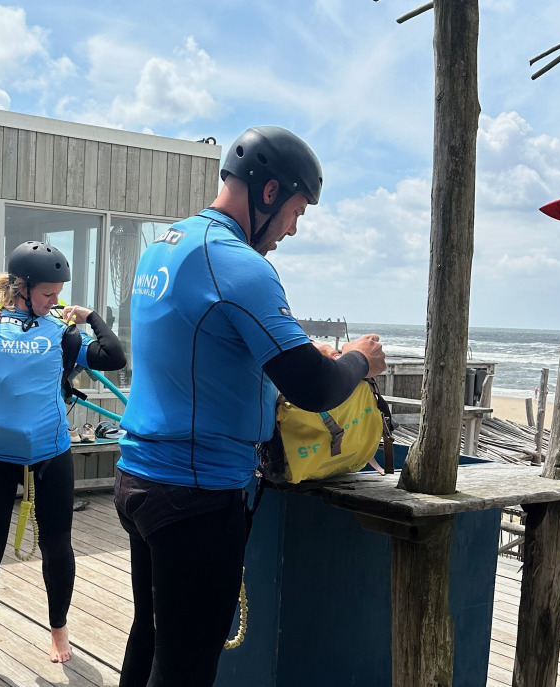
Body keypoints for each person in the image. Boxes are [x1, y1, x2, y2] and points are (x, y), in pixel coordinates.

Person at [114, 126, 387, 687]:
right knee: (187, 665)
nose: (291, 229)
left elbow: (203, 346)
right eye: (295, 212)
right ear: (268, 193)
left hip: (140, 478)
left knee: (150, 637)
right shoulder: (237, 262)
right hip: (197, 495)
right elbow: (313, 385)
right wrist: (361, 361)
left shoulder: (168, 244)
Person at [0, 241, 127, 683]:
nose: (55, 302)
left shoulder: (63, 334)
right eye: (48, 294)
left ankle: (59, 629)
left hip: (50, 455)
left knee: (57, 547)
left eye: (59, 293)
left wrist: (91, 318)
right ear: (20, 289)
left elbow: (115, 357)